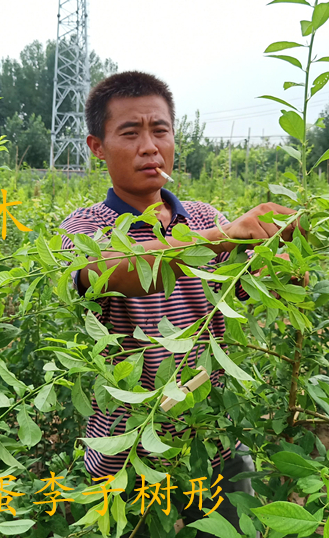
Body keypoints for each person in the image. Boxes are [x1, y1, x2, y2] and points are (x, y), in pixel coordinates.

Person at [59, 71, 301, 537]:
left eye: (160, 130)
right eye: (130, 133)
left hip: (213, 442)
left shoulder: (206, 216)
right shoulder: (85, 227)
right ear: (97, 147)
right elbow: (114, 273)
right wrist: (225, 237)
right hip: (124, 450)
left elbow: (242, 291)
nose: (150, 146)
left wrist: (281, 267)